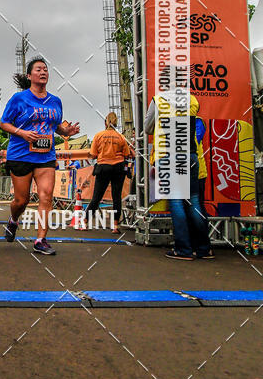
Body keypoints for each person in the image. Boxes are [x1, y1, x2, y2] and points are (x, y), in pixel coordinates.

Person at [0, 57, 80, 255]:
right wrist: (23, 133)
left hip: (45, 156)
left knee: (46, 196)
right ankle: (13, 220)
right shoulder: (19, 99)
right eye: (38, 69)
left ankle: (41, 239)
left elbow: (56, 126)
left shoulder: (55, 101)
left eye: (45, 69)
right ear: (29, 76)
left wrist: (66, 131)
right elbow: (4, 123)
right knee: (22, 200)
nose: (43, 72)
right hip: (20, 155)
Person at [145, 83, 212, 260]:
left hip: (167, 154)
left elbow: (147, 128)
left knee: (176, 202)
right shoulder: (192, 100)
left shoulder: (158, 100)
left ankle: (183, 249)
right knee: (194, 201)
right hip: (189, 154)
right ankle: (204, 248)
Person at [85, 113, 132, 233]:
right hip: (118, 168)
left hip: (103, 167)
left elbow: (93, 154)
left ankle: (85, 221)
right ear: (116, 123)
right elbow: (127, 154)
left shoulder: (99, 136)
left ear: (105, 123)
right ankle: (115, 226)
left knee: (97, 196)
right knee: (117, 197)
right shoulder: (120, 137)